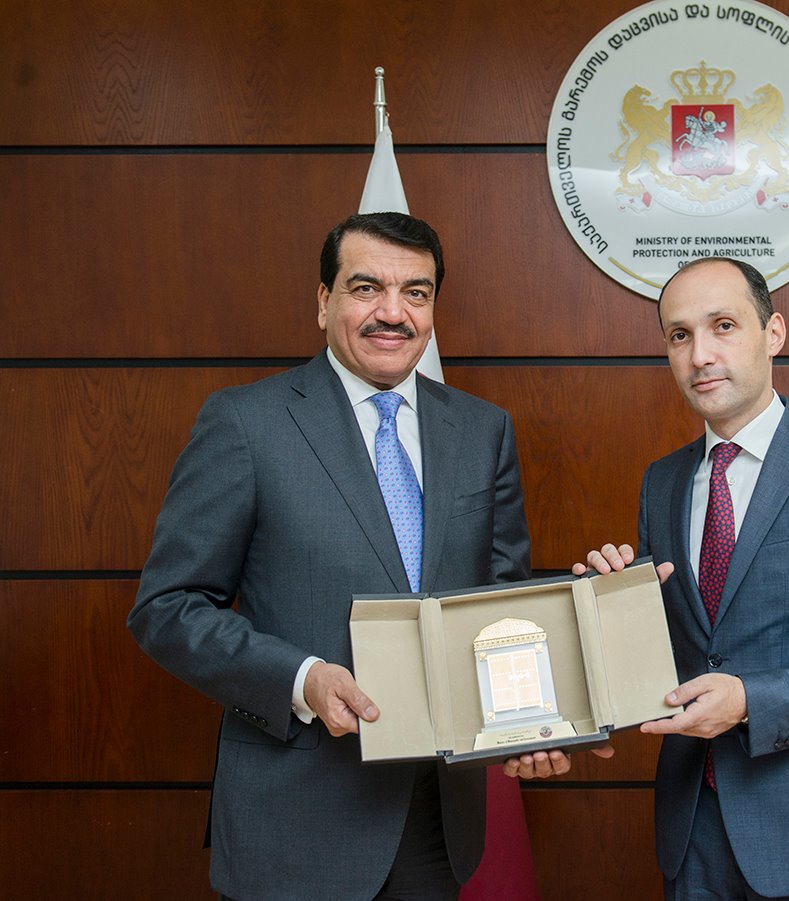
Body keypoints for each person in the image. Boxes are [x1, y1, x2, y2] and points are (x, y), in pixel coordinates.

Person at [127, 212, 532, 901]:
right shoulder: (245, 422)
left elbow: (502, 602)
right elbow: (167, 608)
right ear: (323, 301)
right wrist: (302, 678)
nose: (392, 313)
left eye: (416, 293)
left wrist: (540, 718)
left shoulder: (483, 429)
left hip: (436, 818)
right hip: (296, 819)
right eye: (366, 288)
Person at [569, 257, 789, 899]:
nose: (700, 355)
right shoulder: (663, 481)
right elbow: (674, 651)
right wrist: (612, 609)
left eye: (724, 326)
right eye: (679, 335)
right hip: (691, 836)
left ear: (774, 333)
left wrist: (751, 702)